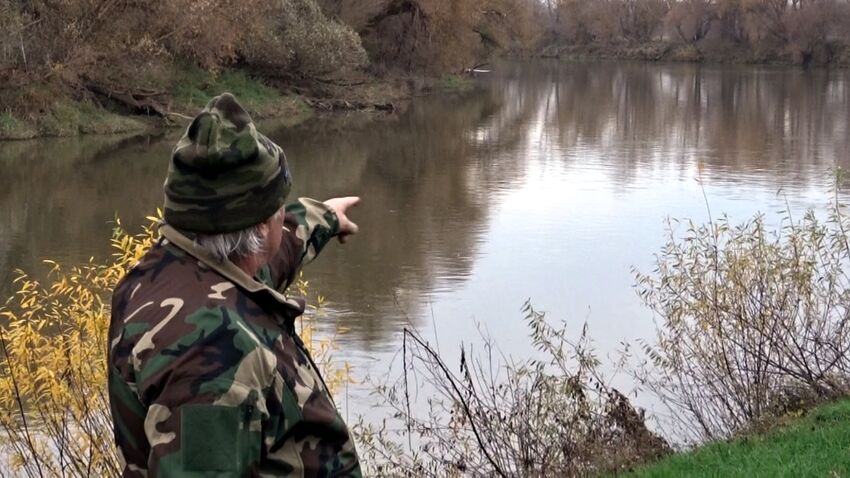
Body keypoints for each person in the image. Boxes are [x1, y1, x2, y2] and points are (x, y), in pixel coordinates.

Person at [107, 93, 362, 477]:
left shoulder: (166, 272)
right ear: (259, 225)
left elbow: (272, 257)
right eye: (280, 204)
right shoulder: (213, 358)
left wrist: (324, 218)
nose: (283, 213)